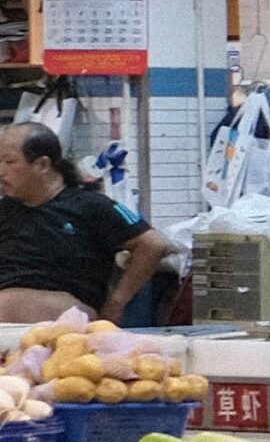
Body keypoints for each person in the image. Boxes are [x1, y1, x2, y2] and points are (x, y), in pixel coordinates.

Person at [0, 122, 175, 325]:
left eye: (10, 162)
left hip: (67, 324)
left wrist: (115, 304)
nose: (2, 172)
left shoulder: (91, 206)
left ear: (42, 165)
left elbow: (153, 244)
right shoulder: (4, 211)